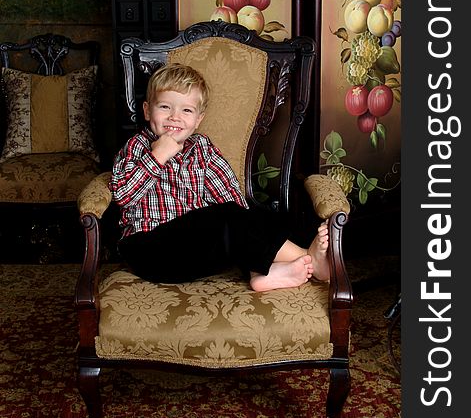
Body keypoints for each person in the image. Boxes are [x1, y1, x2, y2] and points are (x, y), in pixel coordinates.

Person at [109, 62, 329, 292]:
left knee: (253, 215)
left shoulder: (202, 148)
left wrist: (251, 228)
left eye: (186, 110)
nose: (175, 117)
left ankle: (261, 272)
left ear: (198, 119)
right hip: (148, 251)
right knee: (228, 216)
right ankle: (309, 261)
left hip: (194, 252)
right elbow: (123, 196)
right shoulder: (137, 147)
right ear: (147, 110)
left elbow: (233, 201)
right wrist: (158, 155)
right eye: (165, 107)